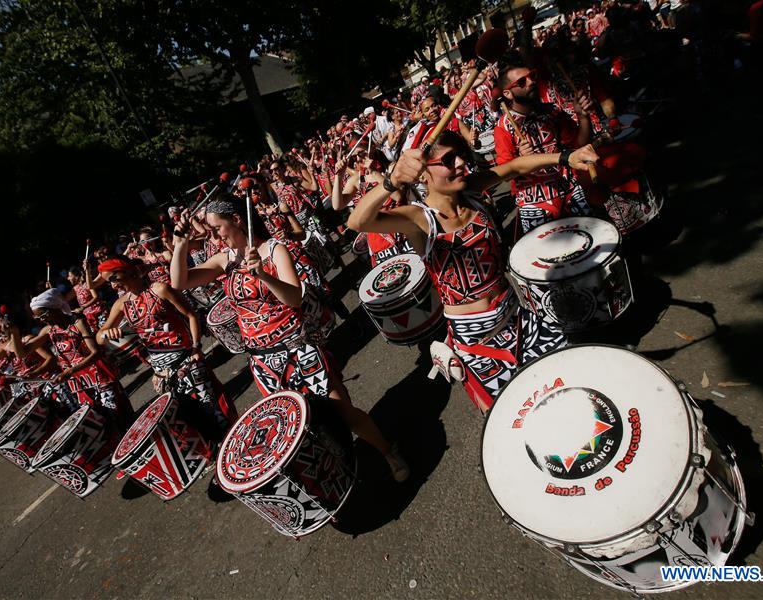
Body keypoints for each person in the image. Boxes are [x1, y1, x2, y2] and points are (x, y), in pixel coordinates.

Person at [348, 130, 598, 413]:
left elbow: (516, 166)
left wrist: (567, 156)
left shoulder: (471, 192)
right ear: (422, 173)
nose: (460, 165)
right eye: (449, 159)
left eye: (461, 156)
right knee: (518, 414)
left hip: (515, 315)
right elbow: (358, 221)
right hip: (477, 340)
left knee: (570, 381)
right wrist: (392, 181)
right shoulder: (419, 218)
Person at [169, 195, 410, 482]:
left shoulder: (273, 250)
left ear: (236, 219)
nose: (212, 235)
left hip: (297, 349)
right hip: (263, 361)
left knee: (341, 408)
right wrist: (180, 244)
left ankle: (387, 451)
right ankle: (336, 475)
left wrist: (263, 275)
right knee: (296, 426)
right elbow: (179, 282)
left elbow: (295, 298)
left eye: (215, 228)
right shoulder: (225, 260)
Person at [95, 255, 235, 441]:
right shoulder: (121, 305)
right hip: (161, 371)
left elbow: (191, 315)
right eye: (108, 283)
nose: (113, 286)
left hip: (187, 360)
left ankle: (236, 444)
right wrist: (107, 333)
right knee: (190, 417)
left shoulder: (160, 289)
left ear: (128, 271)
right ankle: (216, 452)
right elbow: (98, 338)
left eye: (114, 279)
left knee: (214, 410)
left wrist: (196, 347)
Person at [494, 57, 596, 237]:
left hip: (570, 190)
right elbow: (504, 173)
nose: (531, 82)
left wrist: (583, 117)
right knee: (550, 260)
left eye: (532, 76)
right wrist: (520, 162)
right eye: (522, 81)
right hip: (535, 204)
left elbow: (580, 145)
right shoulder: (503, 128)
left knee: (591, 241)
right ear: (508, 93)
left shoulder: (552, 112)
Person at [16, 289, 131, 423]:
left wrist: (70, 371)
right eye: (38, 318)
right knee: (100, 420)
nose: (42, 320)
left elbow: (96, 353)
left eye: (43, 315)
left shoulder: (77, 323)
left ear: (54, 308)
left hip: (97, 376)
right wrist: (14, 333)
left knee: (119, 416)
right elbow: (22, 353)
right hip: (78, 382)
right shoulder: (49, 331)